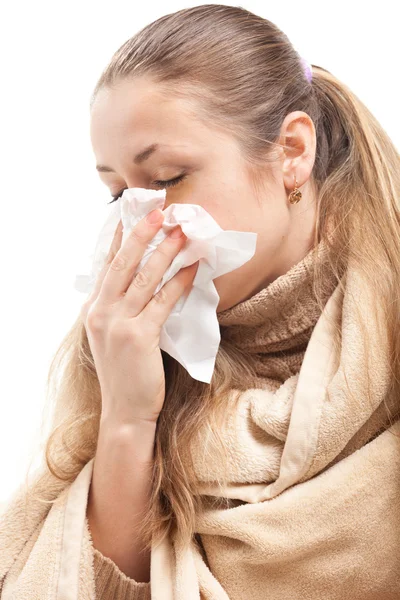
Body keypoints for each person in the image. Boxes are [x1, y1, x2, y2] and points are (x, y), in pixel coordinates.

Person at [1, 4, 400, 599]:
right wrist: (129, 420)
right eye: (117, 196)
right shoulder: (121, 343)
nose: (141, 223)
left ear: (292, 151)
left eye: (166, 179)